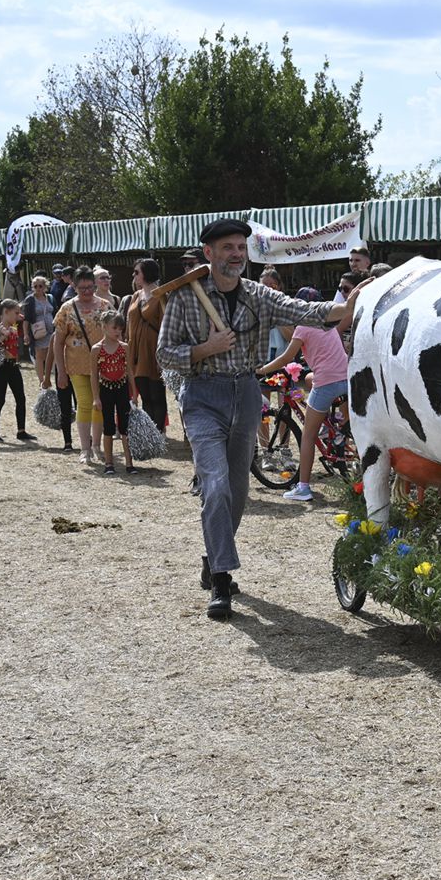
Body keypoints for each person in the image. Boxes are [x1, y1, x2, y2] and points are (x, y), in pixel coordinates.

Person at [156, 218, 361, 619]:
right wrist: (203, 349)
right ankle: (221, 580)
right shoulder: (184, 299)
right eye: (228, 247)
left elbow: (303, 310)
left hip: (246, 395)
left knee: (237, 491)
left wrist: (346, 308)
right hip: (202, 396)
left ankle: (213, 556)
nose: (236, 254)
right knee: (214, 485)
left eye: (240, 247)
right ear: (209, 254)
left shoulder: (257, 295)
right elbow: (164, 354)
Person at [274, 287, 350, 504]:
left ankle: (303, 487)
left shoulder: (304, 326)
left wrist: (262, 370)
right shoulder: (329, 323)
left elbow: (287, 356)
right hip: (345, 378)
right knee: (310, 382)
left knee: (308, 436)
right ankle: (333, 430)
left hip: (327, 381)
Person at [52, 269, 111, 463]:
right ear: (74, 287)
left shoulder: (105, 306)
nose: (86, 291)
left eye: (90, 287)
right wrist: (61, 371)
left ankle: (97, 445)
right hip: (76, 365)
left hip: (102, 365)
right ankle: (85, 449)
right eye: (81, 288)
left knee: (99, 405)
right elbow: (58, 341)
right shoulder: (67, 309)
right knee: (85, 403)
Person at [125, 259, 167, 432]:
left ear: (147, 273)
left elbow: (166, 326)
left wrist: (162, 356)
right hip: (136, 352)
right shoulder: (136, 296)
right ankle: (150, 433)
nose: (134, 275)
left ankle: (158, 433)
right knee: (144, 395)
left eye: (137, 272)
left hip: (153, 351)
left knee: (157, 394)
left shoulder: (161, 295)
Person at [91, 311, 135, 475]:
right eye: (114, 327)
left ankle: (129, 463)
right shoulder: (96, 349)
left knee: (125, 426)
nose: (118, 331)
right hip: (106, 390)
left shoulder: (124, 347)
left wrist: (134, 393)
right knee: (108, 426)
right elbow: (94, 375)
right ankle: (109, 463)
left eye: (120, 328)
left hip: (122, 388)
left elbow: (129, 370)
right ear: (104, 327)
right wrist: (96, 397)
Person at [0, 299, 33, 443]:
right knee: (0, 399)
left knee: (21, 398)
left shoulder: (12, 328)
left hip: (13, 366)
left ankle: (21, 430)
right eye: (16, 313)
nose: (19, 316)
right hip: (1, 367)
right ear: (6, 312)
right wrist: (2, 336)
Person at [22, 276, 56, 388]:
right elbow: (26, 319)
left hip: (51, 332)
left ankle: (48, 379)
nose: (37, 288)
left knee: (50, 355)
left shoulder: (50, 298)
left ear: (45, 286)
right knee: (39, 356)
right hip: (38, 332)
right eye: (35, 286)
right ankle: (42, 381)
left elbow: (55, 312)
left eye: (40, 286)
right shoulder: (30, 300)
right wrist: (26, 334)